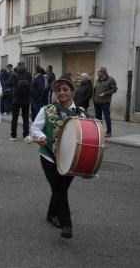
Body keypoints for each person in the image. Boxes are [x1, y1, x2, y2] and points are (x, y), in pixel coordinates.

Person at [30, 76, 84, 239]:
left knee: (60, 188)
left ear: (72, 92)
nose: (62, 93)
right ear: (55, 92)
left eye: (65, 90)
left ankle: (51, 213)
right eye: (58, 90)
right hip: (49, 157)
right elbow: (34, 129)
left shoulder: (81, 113)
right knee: (59, 189)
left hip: (70, 159)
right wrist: (39, 136)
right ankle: (66, 224)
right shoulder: (46, 110)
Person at [7, 62, 32, 141]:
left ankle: (13, 135)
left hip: (16, 99)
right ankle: (26, 136)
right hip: (26, 99)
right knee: (25, 118)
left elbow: (8, 84)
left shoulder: (14, 75)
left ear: (17, 67)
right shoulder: (28, 74)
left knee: (15, 118)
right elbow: (31, 84)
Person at [93, 67, 117, 137]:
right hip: (97, 102)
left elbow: (114, 89)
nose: (97, 73)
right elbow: (95, 90)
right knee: (98, 118)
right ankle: (99, 131)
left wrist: (105, 93)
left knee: (107, 117)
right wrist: (94, 99)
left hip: (105, 102)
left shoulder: (111, 80)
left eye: (99, 72)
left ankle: (109, 132)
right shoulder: (98, 80)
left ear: (103, 72)